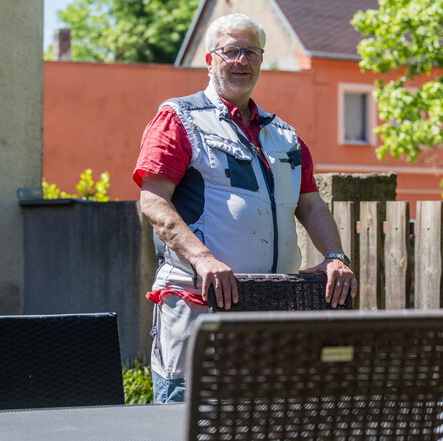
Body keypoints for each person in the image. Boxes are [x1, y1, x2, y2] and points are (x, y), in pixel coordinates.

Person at [133, 13, 358, 404]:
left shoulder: (284, 135)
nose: (241, 60)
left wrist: (334, 257)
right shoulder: (179, 118)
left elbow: (311, 204)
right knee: (186, 419)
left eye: (251, 52)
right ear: (209, 59)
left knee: (265, 418)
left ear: (261, 61)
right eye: (230, 50)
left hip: (272, 309)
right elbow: (152, 200)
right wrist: (203, 259)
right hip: (198, 303)